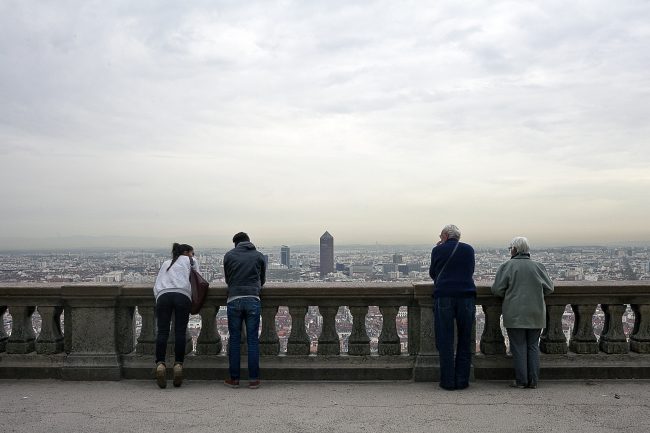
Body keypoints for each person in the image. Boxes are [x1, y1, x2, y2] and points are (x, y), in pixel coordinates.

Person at [491, 236, 554, 389]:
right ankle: (533, 381)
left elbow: (497, 290)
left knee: (518, 346)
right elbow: (550, 288)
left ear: (514, 249)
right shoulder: (538, 266)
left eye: (510, 248)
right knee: (533, 346)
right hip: (535, 312)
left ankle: (521, 381)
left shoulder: (507, 266)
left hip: (515, 313)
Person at [429, 224, 476, 390]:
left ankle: (448, 381)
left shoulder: (438, 250)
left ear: (445, 236)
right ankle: (462, 380)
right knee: (465, 339)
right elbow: (470, 270)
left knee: (445, 339)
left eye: (441, 236)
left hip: (444, 296)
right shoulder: (469, 249)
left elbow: (433, 273)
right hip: (466, 296)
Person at [223, 232, 266, 389]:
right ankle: (253, 379)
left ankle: (234, 379)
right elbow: (263, 280)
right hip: (253, 299)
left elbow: (228, 279)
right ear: (249, 241)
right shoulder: (259, 256)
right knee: (252, 340)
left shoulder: (229, 256)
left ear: (235, 243)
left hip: (234, 299)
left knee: (235, 340)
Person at [153, 242, 198, 389]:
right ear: (187, 252)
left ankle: (160, 364)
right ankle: (178, 364)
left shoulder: (166, 263)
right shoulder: (190, 261)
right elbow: (197, 279)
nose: (193, 255)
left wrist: (160, 296)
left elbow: (157, 284)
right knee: (180, 331)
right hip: (182, 296)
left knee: (162, 331)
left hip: (163, 296)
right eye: (192, 253)